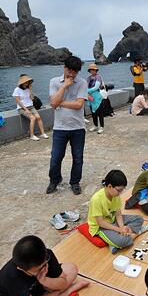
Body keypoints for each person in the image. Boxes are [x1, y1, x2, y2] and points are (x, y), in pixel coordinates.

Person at [47, 56, 87, 195]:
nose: (71, 74)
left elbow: (78, 105)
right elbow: (53, 103)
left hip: (78, 127)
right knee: (56, 157)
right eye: (69, 70)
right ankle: (54, 180)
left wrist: (59, 102)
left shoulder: (82, 83)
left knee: (78, 157)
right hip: (60, 128)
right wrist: (64, 86)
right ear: (64, 68)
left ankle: (75, 182)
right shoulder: (54, 82)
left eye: (75, 72)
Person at [88, 170, 148, 254]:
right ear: (110, 186)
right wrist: (119, 229)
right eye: (119, 190)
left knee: (139, 218)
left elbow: (118, 214)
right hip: (100, 227)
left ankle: (118, 240)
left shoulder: (115, 195)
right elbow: (101, 223)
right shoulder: (96, 199)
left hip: (113, 220)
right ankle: (138, 232)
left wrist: (122, 228)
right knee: (122, 242)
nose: (120, 193)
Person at [12, 75, 48, 141]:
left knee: (38, 117)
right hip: (21, 108)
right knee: (33, 118)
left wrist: (31, 91)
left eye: (28, 82)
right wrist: (26, 109)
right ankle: (32, 135)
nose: (27, 83)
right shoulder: (17, 89)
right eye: (26, 82)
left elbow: (32, 99)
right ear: (22, 83)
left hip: (31, 106)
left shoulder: (28, 89)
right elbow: (18, 101)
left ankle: (42, 133)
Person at [87, 63, 105, 134]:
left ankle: (101, 127)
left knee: (100, 113)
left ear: (96, 70)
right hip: (90, 97)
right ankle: (95, 125)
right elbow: (85, 86)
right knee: (93, 113)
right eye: (91, 70)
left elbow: (96, 87)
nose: (92, 71)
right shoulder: (88, 78)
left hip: (97, 97)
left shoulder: (98, 77)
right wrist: (87, 92)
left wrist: (87, 91)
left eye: (93, 69)